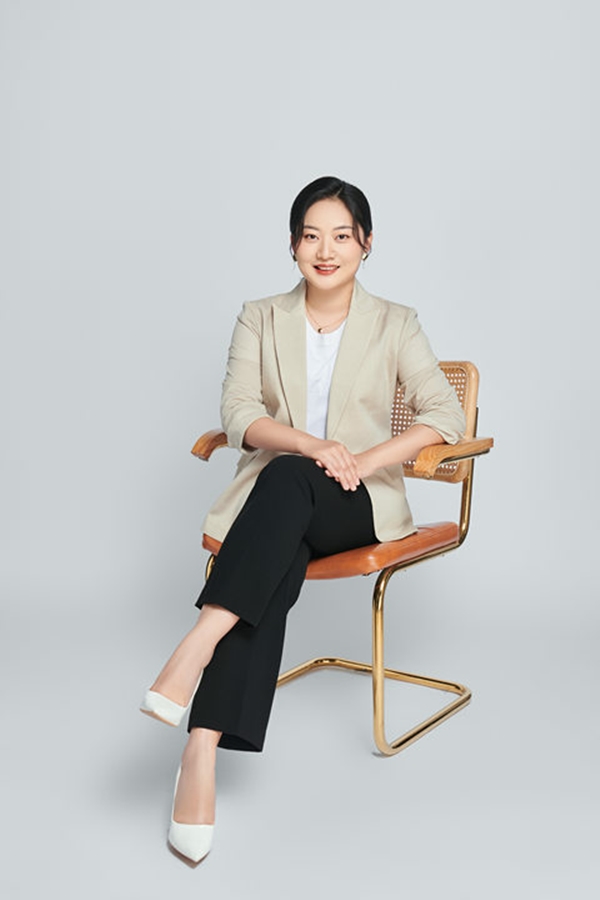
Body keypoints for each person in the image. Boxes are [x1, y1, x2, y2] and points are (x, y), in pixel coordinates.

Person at [140, 176, 466, 863]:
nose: (326, 250)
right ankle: (201, 750)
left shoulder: (396, 322)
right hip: (279, 503)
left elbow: (444, 413)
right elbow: (238, 412)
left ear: (366, 244)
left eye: (342, 235)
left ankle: (194, 647)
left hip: (356, 504)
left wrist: (360, 459)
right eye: (311, 235)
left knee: (288, 486)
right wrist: (312, 446)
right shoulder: (260, 317)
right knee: (281, 529)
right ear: (292, 245)